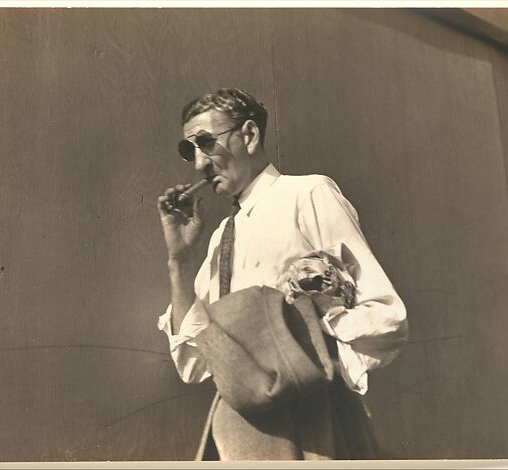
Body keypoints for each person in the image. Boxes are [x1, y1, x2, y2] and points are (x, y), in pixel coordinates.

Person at [157, 88, 408, 461]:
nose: (198, 163)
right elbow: (194, 365)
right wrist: (179, 260)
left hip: (312, 423)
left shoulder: (307, 193)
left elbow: (387, 316)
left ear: (249, 135)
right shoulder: (218, 239)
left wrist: (295, 335)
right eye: (188, 150)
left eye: (206, 143)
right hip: (240, 431)